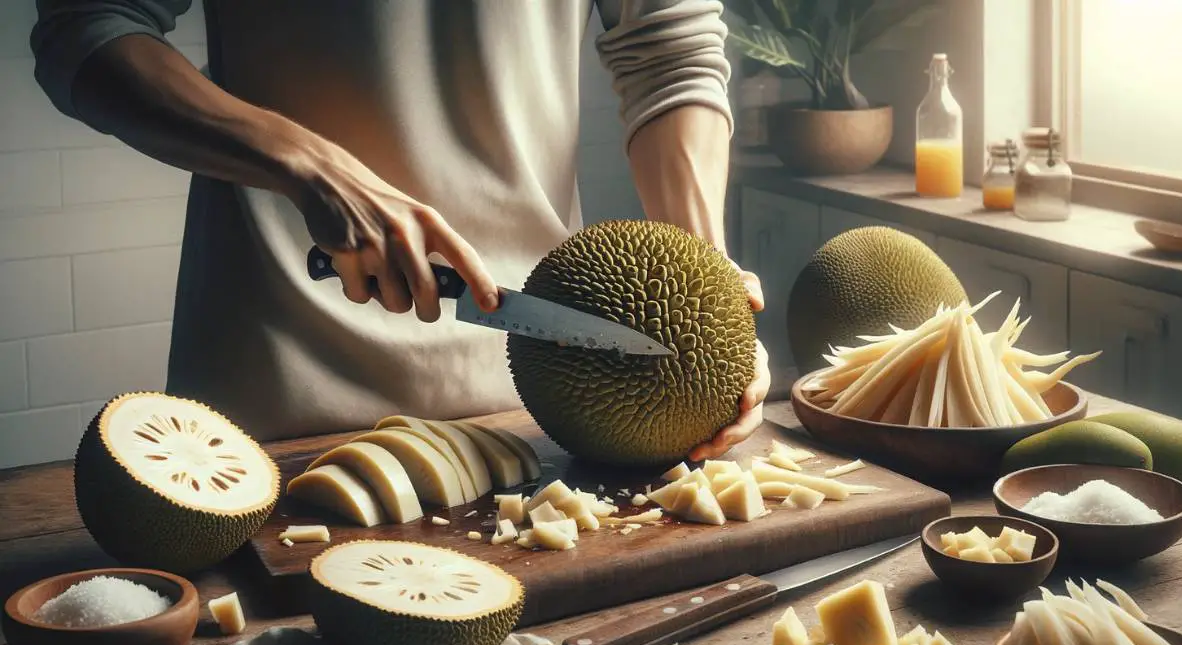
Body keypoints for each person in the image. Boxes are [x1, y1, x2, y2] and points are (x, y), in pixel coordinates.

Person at [31, 0, 769, 462]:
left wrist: (705, 295)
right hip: (275, 396)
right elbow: (88, 25)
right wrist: (308, 165)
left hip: (542, 401)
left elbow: (671, 50)